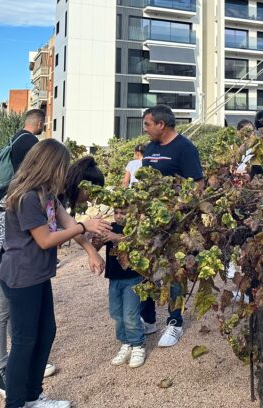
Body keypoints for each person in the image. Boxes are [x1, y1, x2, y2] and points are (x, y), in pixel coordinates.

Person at [0, 155, 105, 398]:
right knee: (24, 339)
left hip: (36, 273)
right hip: (20, 273)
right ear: (49, 166)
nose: (65, 173)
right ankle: (14, 401)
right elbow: (45, 240)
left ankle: (33, 396)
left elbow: (68, 222)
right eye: (62, 167)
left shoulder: (48, 194)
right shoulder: (28, 197)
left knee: (46, 332)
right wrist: (85, 226)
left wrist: (91, 250)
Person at [140, 105, 204, 348]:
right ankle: (148, 320)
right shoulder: (150, 148)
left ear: (161, 125)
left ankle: (174, 322)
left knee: (175, 272)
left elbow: (198, 185)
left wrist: (178, 209)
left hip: (177, 225)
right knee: (144, 267)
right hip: (150, 221)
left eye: (147, 124)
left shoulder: (185, 148)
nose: (144, 129)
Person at [94, 204, 146, 369]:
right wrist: (96, 238)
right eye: (116, 212)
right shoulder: (110, 227)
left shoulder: (136, 228)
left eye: (123, 212)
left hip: (133, 277)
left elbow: (139, 242)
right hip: (114, 278)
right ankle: (126, 343)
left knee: (130, 313)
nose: (118, 216)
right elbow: (95, 247)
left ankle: (137, 345)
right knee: (116, 313)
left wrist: (116, 237)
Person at [9, 109, 46, 174]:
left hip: (12, 181)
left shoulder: (16, 136)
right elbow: (39, 166)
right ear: (39, 124)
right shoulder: (31, 140)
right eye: (43, 124)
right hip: (23, 182)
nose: (43, 127)